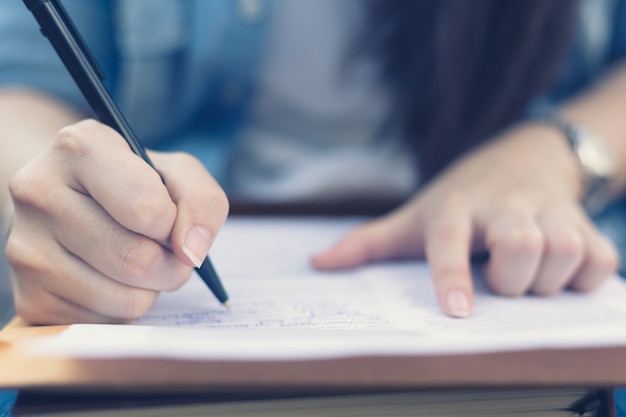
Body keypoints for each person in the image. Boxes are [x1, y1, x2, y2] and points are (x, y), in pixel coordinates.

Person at [0, 0, 625, 325]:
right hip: (166, 264)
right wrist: (72, 200)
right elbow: (23, 83)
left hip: (536, 238)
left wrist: (561, 151)